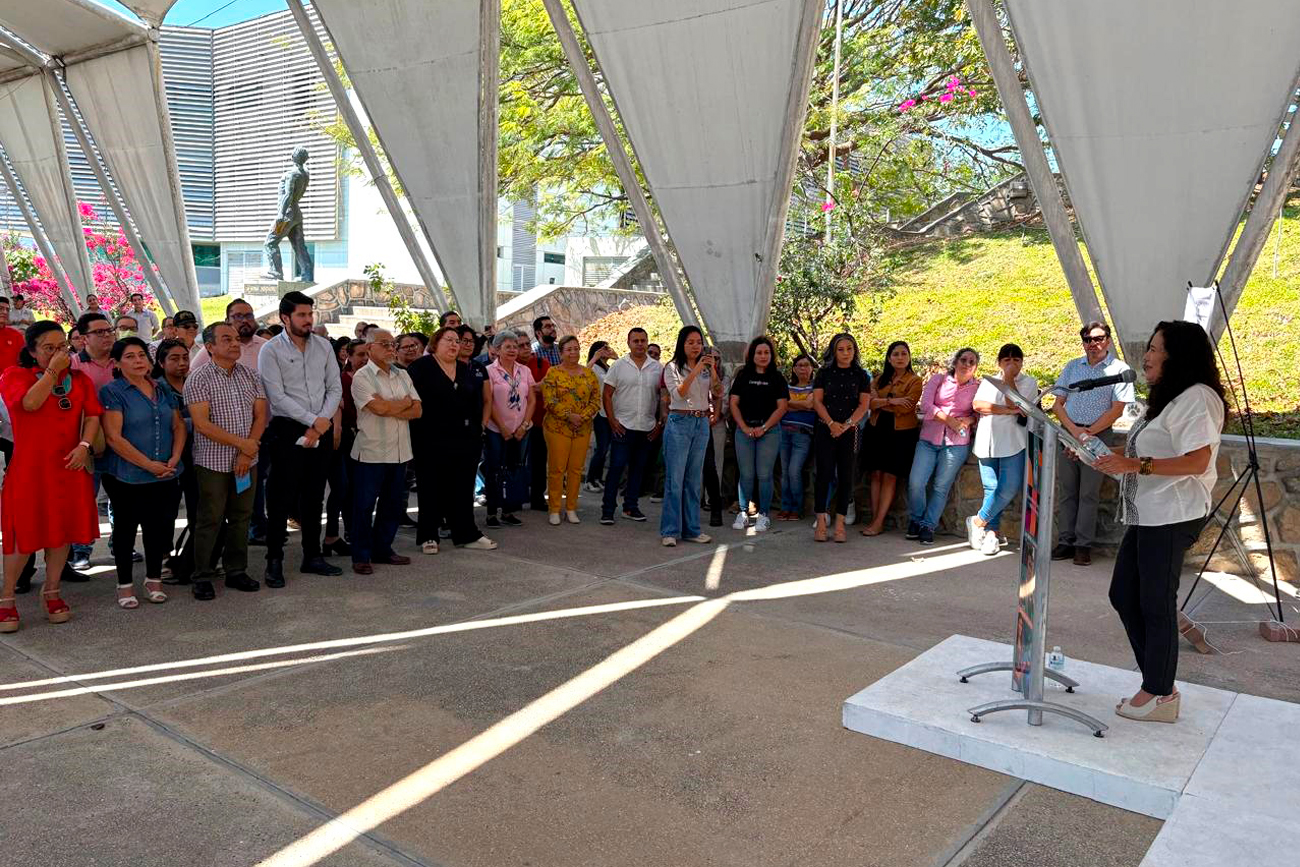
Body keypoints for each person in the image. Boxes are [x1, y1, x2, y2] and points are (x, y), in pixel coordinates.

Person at [1095, 321, 1226, 723]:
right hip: (1148, 513)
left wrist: (1132, 464)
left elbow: (1197, 460)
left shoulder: (1198, 398)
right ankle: (1155, 680)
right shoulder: (1170, 400)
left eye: (1154, 348)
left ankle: (1159, 691)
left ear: (1178, 356)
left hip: (1173, 514)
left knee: (1155, 602)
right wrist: (1100, 452)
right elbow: (1144, 447)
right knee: (1124, 595)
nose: (1146, 356)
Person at [0, 322, 102, 632]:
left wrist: (85, 446)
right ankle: (6, 599)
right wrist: (52, 373)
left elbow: (94, 416)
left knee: (62, 532)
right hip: (30, 470)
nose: (59, 354)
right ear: (31, 351)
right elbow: (30, 403)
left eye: (63, 348)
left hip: (69, 468)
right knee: (22, 535)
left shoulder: (80, 380)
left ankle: (53, 591)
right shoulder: (14, 376)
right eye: (49, 348)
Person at [258, 291, 344, 585]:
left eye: (310, 314)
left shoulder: (323, 346)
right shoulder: (270, 350)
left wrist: (322, 422)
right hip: (288, 428)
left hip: (321, 424)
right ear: (285, 318)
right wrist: (313, 421)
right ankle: (274, 560)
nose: (308, 320)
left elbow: (334, 387)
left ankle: (313, 556)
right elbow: (277, 398)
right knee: (282, 495)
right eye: (302, 315)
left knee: (315, 493)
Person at [99, 337, 185, 608]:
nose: (138, 361)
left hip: (166, 471)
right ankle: (124, 585)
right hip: (127, 475)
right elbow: (114, 438)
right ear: (117, 363)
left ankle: (153, 579)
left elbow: (178, 426)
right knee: (125, 530)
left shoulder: (161, 388)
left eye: (141, 355)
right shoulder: (112, 392)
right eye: (130, 356)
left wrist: (174, 458)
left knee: (157, 528)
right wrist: (148, 465)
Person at [185, 322, 268, 601]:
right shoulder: (198, 378)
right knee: (210, 518)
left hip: (247, 461)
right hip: (213, 462)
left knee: (242, 516)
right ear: (209, 347)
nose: (234, 343)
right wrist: (241, 444)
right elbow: (201, 424)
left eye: (235, 339)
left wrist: (247, 451)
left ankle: (236, 570)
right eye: (226, 339)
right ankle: (203, 575)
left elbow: (260, 416)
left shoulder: (250, 375)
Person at [1051, 320, 1135, 566]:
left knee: (1089, 492)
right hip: (1070, 433)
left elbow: (1117, 409)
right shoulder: (1073, 367)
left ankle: (1082, 545)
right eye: (1088, 340)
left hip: (1098, 436)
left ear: (1107, 340)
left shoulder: (1119, 369)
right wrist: (1074, 431)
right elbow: (1058, 403)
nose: (1093, 344)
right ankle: (1065, 541)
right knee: (1068, 491)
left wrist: (1088, 433)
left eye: (1098, 339)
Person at [408, 327, 496, 552]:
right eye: (449, 340)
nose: (454, 344)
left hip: (465, 439)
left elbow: (477, 402)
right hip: (429, 439)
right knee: (430, 488)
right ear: (435, 343)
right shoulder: (421, 367)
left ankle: (466, 534)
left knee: (463, 489)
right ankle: (429, 535)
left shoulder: (465, 369)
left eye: (457, 341)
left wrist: (479, 429)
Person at [348, 329, 420, 574]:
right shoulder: (362, 377)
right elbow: (376, 408)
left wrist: (391, 406)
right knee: (364, 506)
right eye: (384, 344)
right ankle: (360, 555)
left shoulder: (402, 375)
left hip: (400, 452)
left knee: (391, 506)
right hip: (372, 453)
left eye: (392, 344)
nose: (391, 348)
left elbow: (418, 410)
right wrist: (403, 404)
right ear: (369, 349)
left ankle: (382, 549)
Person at [968, 343, 1036, 555]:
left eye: (1016, 359)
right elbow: (978, 405)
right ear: (999, 362)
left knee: (1007, 488)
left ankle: (977, 521)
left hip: (1013, 442)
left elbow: (1021, 405)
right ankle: (991, 534)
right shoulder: (989, 381)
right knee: (991, 488)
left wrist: (1008, 380)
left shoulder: (1029, 382)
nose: (1012, 364)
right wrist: (1008, 410)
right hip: (987, 440)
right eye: (1007, 360)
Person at [907, 348, 980, 546]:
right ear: (955, 362)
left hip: (956, 445)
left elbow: (978, 414)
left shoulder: (977, 387)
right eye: (963, 360)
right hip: (929, 439)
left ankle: (928, 526)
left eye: (972, 362)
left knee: (941, 487)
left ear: (976, 367)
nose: (967, 364)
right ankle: (916, 518)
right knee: (916, 482)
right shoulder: (938, 380)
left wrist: (968, 419)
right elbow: (925, 406)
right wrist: (949, 420)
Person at [68, 311, 118, 571]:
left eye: (109, 330)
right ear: (83, 338)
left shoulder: (123, 359)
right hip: (88, 442)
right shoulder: (73, 366)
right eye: (99, 332)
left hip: (121, 441)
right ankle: (81, 549)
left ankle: (120, 545)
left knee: (119, 498)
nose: (107, 335)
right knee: (85, 498)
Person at [599, 327, 662, 525]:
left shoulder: (657, 368)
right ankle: (608, 510)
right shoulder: (618, 365)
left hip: (646, 427)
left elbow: (663, 398)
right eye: (636, 341)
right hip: (623, 426)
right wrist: (612, 420)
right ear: (628, 343)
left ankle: (630, 507)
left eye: (643, 340)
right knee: (616, 467)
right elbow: (607, 394)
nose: (640, 344)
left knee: (638, 470)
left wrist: (659, 423)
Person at [659, 326, 715, 547]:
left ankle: (692, 529)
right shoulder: (672, 367)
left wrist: (713, 371)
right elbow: (678, 393)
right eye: (690, 342)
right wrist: (696, 368)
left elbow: (718, 392)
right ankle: (670, 530)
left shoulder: (706, 369)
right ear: (682, 344)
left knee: (693, 480)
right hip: (679, 422)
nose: (695, 346)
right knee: (675, 479)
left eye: (698, 342)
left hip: (701, 422)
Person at [811, 333, 870, 543]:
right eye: (841, 349)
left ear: (855, 351)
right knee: (823, 475)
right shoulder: (824, 373)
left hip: (849, 431)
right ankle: (820, 522)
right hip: (825, 429)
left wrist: (846, 425)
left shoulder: (861, 375)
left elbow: (864, 404)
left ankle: (840, 524)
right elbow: (817, 401)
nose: (846, 353)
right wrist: (831, 423)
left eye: (850, 349)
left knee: (846, 478)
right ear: (834, 351)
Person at [861, 341, 923, 536]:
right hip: (877, 429)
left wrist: (882, 403)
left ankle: (879, 522)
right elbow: (869, 404)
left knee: (890, 476)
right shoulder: (878, 379)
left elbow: (906, 407)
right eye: (895, 354)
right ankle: (874, 519)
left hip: (901, 433)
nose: (900, 357)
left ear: (909, 357)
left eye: (904, 353)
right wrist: (891, 400)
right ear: (889, 358)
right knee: (876, 475)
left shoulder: (915, 380)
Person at [729, 336, 789, 532]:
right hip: (744, 430)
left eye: (766, 353)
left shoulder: (777, 378)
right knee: (746, 474)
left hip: (769, 432)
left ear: (771, 355)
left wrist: (764, 428)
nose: (763, 356)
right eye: (759, 353)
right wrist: (744, 427)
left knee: (764, 474)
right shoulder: (743, 375)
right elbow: (733, 403)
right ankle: (744, 512)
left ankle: (763, 515)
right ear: (752, 355)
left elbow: (782, 407)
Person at [540, 335, 601, 525]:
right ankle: (555, 508)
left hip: (582, 429)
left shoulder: (588, 374)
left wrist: (582, 417)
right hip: (557, 428)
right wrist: (569, 416)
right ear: (561, 353)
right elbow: (549, 400)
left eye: (576, 348)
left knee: (576, 469)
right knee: (557, 469)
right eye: (569, 349)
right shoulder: (553, 373)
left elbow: (595, 400)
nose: (573, 352)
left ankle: (572, 508)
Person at [152, 339, 196, 585]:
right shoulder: (156, 388)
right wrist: (197, 422)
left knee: (197, 506)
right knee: (166, 512)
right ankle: (163, 558)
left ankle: (195, 554)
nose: (181, 363)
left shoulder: (195, 383)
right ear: (161, 362)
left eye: (185, 358)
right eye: (174, 359)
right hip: (168, 457)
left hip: (198, 456)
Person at [483, 330, 536, 529]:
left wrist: (523, 425)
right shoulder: (489, 371)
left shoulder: (525, 370)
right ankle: (491, 513)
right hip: (496, 429)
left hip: (520, 429)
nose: (513, 350)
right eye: (508, 347)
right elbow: (489, 402)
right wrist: (503, 427)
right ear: (497, 350)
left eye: (515, 346)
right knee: (494, 469)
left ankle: (508, 510)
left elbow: (531, 399)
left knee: (514, 468)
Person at [776, 353, 816, 521]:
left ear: (812, 368)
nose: (803, 368)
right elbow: (781, 406)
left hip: (803, 434)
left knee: (794, 471)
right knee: (785, 473)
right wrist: (800, 406)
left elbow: (810, 404)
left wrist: (791, 405)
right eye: (799, 365)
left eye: (806, 365)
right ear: (794, 368)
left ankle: (797, 508)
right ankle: (786, 507)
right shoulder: (786, 387)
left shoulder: (815, 388)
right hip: (784, 432)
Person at [519, 337, 551, 512]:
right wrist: (534, 387)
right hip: (515, 422)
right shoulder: (508, 366)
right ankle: (515, 497)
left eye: (526, 344)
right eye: (520, 345)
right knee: (515, 462)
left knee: (539, 462)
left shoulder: (541, 362)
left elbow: (546, 384)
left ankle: (538, 497)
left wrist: (524, 388)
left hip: (539, 421)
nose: (525, 348)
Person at [192, 298, 267, 370]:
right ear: (227, 321)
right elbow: (192, 372)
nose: (244, 320)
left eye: (249, 316)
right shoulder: (216, 348)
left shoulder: (266, 346)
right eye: (238, 316)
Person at [583, 340, 616, 493]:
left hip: (610, 412)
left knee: (605, 447)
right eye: (604, 348)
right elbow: (583, 375)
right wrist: (595, 357)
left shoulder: (609, 367)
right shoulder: (594, 367)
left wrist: (616, 358)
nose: (607, 351)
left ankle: (596, 478)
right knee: (601, 447)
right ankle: (589, 479)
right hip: (599, 412)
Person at [0, 296, 25, 369]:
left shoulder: (15, 335)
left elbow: (25, 361)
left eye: (7, 310)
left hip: (16, 378)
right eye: (0, 309)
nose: (5, 312)